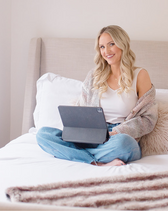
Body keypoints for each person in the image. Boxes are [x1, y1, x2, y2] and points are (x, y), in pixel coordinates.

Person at [36, 25, 158, 166]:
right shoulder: (94, 76)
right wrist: (79, 133)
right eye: (102, 47)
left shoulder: (140, 75)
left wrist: (116, 132)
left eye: (111, 44)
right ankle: (96, 162)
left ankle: (78, 155)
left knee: (124, 144)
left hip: (119, 139)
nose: (106, 51)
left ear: (122, 44)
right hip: (92, 135)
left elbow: (149, 118)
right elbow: (83, 110)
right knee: (43, 135)